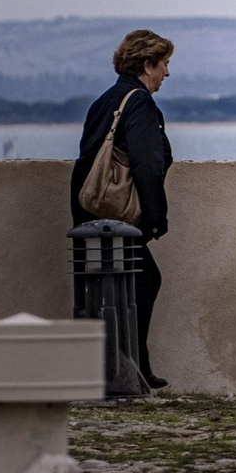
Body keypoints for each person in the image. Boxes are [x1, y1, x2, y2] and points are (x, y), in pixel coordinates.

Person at [70, 29, 174, 391]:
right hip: (119, 217)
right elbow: (147, 164)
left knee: (94, 291)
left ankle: (107, 370)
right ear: (147, 65)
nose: (166, 73)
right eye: (164, 64)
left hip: (89, 211)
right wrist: (155, 219)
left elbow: (87, 160)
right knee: (144, 282)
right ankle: (130, 370)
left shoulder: (105, 100)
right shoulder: (140, 102)